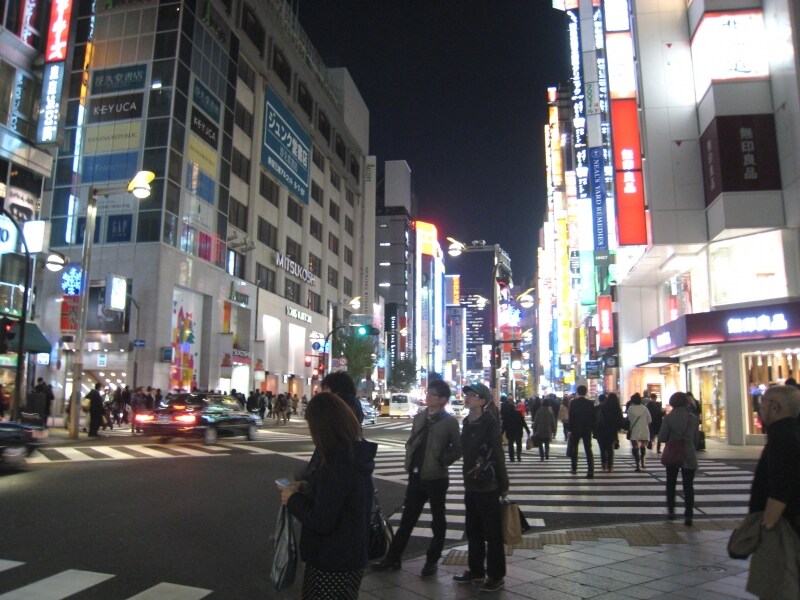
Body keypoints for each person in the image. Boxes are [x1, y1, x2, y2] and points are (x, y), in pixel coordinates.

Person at [279, 392, 376, 599]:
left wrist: (292, 499)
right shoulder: (355, 455)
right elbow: (341, 500)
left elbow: (321, 520)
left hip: (331, 559)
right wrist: (309, 487)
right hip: (352, 554)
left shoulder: (336, 465)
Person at [372, 380, 462, 576]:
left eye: (432, 394)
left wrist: (443, 460)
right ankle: (392, 558)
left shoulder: (450, 422)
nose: (428, 396)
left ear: (443, 400)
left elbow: (457, 448)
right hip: (416, 474)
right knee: (407, 519)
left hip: (436, 477)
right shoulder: (420, 417)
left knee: (438, 520)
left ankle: (432, 561)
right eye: (428, 393)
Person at [454, 382, 508, 593]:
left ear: (483, 401)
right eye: (467, 394)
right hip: (471, 482)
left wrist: (503, 483)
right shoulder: (467, 421)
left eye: (472, 395)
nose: (467, 397)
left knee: (492, 532)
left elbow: (497, 451)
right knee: (473, 529)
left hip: (488, 483)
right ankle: (476, 570)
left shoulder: (489, 422)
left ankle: (496, 575)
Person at [746, 385, 800, 595]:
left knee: (778, 584)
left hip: (784, 526)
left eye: (763, 404)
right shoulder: (792, 432)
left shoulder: (782, 438)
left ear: (775, 408)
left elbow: (780, 489)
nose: (760, 409)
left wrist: (766, 528)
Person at [658, 391, 700, 526]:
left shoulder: (668, 418)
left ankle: (671, 512)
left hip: (673, 453)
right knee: (688, 486)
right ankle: (688, 516)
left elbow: (662, 437)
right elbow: (696, 440)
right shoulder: (693, 419)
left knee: (671, 484)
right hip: (688, 453)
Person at [568, 385, 595, 478]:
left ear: (577, 392)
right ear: (586, 392)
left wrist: (570, 429)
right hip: (587, 429)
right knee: (588, 449)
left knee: (574, 448)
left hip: (576, 429)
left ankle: (574, 468)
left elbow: (571, 417)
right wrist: (592, 428)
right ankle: (590, 470)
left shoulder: (573, 403)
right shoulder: (590, 403)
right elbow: (593, 417)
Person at [595, 392, 624, 472]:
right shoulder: (617, 408)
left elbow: (598, 418)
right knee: (610, 448)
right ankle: (610, 466)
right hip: (612, 431)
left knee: (602, 448)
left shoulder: (603, 407)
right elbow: (620, 420)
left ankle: (603, 463)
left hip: (601, 430)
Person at [627, 393, 652, 472]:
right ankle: (643, 463)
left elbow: (628, 419)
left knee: (635, 449)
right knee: (643, 448)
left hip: (634, 432)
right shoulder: (644, 408)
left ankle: (638, 466)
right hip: (644, 431)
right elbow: (650, 420)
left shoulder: (630, 408)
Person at [500, 396, 529, 462]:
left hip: (510, 432)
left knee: (510, 445)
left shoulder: (507, 415)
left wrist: (501, 433)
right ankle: (518, 455)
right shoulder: (518, 414)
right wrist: (528, 431)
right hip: (518, 431)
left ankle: (512, 458)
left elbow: (504, 425)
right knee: (519, 444)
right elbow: (523, 422)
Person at [532, 397, 556, 461]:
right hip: (548, 430)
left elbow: (536, 421)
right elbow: (553, 422)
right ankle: (547, 454)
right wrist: (553, 430)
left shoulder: (539, 411)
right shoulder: (550, 412)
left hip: (540, 430)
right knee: (547, 444)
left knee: (540, 444)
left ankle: (542, 456)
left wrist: (534, 428)